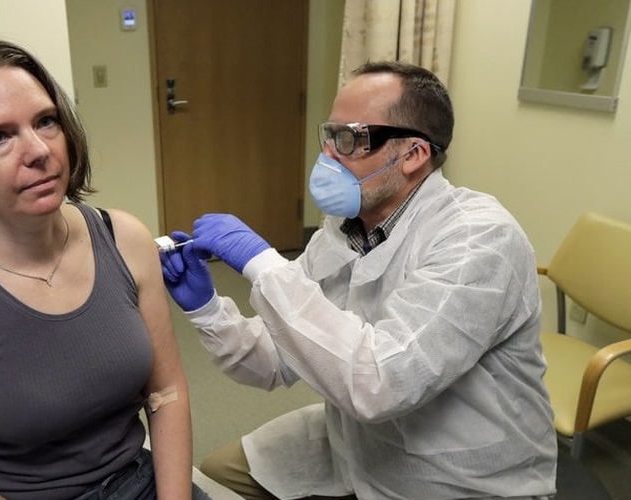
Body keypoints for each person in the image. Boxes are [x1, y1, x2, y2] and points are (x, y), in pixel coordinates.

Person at [160, 61, 557, 500]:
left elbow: (380, 384)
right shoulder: (343, 228)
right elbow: (275, 359)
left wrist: (263, 264)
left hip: (457, 474)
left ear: (413, 154)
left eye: (349, 139)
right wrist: (208, 309)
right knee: (216, 474)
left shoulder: (478, 238)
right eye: (329, 135)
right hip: (356, 444)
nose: (327, 155)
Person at [0, 38, 206, 500]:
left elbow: (166, 394)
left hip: (142, 483)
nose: (39, 149)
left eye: (46, 121)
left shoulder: (124, 238)